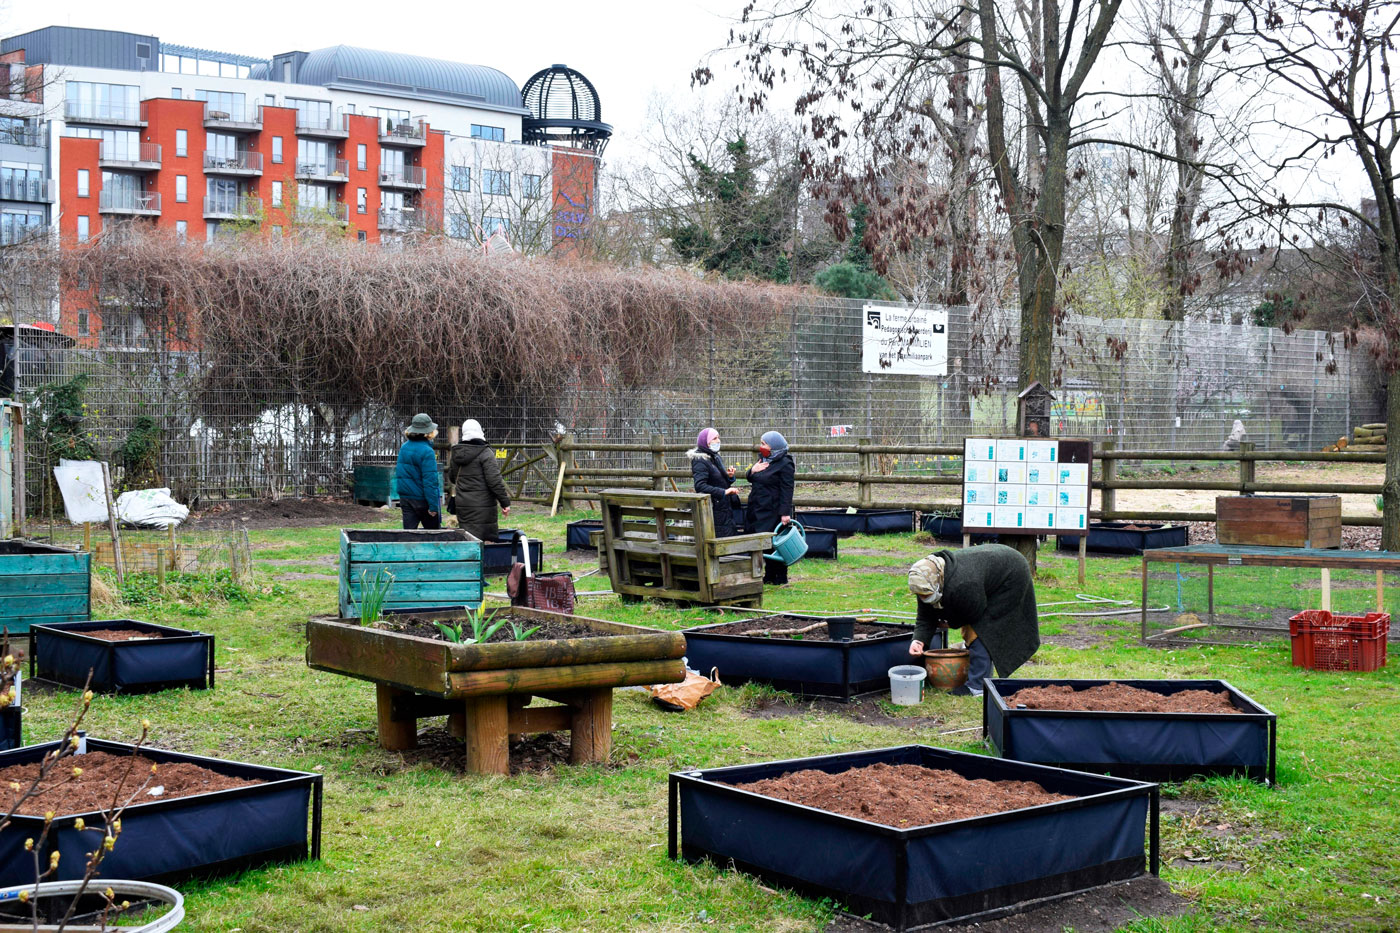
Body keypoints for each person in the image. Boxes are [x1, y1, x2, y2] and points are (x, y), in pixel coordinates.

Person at [906, 543, 1040, 696]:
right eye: (920, 595)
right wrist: (918, 640)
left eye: (926, 594)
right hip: (987, 572)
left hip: (1011, 574)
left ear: (937, 582)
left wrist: (949, 622)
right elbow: (926, 614)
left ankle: (977, 687)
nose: (924, 598)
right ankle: (974, 670)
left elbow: (973, 614)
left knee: (982, 629)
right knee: (974, 630)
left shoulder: (962, 584)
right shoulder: (923, 580)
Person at [746, 430, 796, 585]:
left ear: (773, 446)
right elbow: (751, 478)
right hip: (758, 507)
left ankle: (780, 577)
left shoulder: (785, 463)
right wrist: (752, 471)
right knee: (762, 543)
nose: (761, 446)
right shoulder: (763, 459)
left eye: (764, 443)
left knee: (775, 543)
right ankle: (768, 575)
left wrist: (785, 513)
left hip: (773, 510)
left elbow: (787, 489)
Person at [449, 419, 511, 541]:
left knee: (468, 540)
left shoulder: (457, 453)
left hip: (463, 506)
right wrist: (505, 503)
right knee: (486, 542)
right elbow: (494, 481)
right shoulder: (485, 453)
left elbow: (452, 478)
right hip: (484, 506)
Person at [687, 427, 740, 536]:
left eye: (718, 438)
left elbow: (718, 481)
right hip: (714, 509)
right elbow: (700, 486)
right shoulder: (700, 460)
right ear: (706, 442)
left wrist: (729, 476)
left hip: (724, 508)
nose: (718, 441)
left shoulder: (714, 456)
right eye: (714, 438)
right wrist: (724, 492)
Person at [395, 413, 442, 530]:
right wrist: (433, 506)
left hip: (406, 499)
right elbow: (430, 481)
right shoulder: (427, 451)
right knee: (433, 537)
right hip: (422, 500)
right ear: (429, 431)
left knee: (409, 537)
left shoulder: (404, 447)